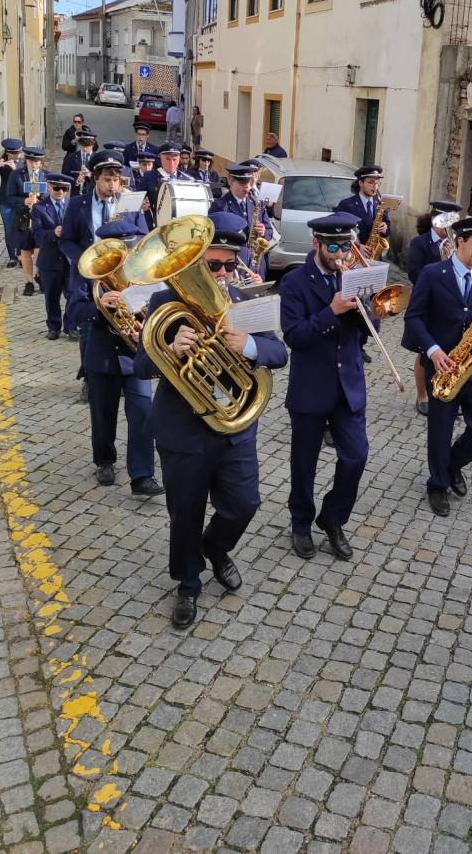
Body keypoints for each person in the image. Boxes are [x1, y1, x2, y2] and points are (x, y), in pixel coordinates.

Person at [133, 213, 288, 629]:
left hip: (235, 427)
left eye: (227, 265)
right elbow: (141, 365)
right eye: (211, 265)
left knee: (244, 503)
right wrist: (170, 344)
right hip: (183, 431)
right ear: (196, 264)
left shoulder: (244, 302)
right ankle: (187, 582)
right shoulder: (163, 304)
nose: (221, 274)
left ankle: (215, 547)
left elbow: (279, 354)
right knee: (185, 511)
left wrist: (251, 345)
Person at [278, 213, 369, 562]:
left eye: (347, 245)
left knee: (357, 456)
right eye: (334, 246)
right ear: (316, 243)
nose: (341, 253)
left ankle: (332, 518)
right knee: (304, 462)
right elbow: (295, 337)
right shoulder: (294, 283)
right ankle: (301, 523)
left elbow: (368, 328)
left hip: (349, 385)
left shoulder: (354, 276)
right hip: (311, 385)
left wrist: (368, 310)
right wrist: (331, 312)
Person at [402, 215, 472, 517]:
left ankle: (453, 463)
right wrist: (432, 351)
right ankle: (437, 484)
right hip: (442, 365)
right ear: (460, 242)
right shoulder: (433, 274)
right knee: (440, 429)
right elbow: (413, 317)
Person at [68, 216, 163, 498]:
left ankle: (143, 475)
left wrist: (146, 330)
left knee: (143, 414)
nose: (124, 258)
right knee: (103, 414)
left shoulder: (145, 275)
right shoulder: (90, 274)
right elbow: (74, 311)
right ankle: (105, 460)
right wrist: (99, 306)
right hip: (103, 355)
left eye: (129, 251)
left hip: (136, 358)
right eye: (118, 252)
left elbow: (158, 309)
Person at [61, 150, 148, 401]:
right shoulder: (78, 204)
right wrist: (84, 261)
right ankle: (91, 377)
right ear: (96, 179)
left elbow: (142, 236)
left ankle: (126, 372)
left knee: (125, 322)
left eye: (117, 179)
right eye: (108, 179)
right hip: (90, 277)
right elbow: (66, 240)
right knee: (90, 327)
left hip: (122, 276)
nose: (113, 185)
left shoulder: (127, 203)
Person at [407, 200, 460, 416]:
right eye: (446, 222)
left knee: (452, 350)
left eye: (454, 222)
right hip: (427, 305)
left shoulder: (457, 243)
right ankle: (422, 395)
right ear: (434, 220)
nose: (449, 228)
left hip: (450, 306)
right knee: (424, 352)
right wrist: (441, 266)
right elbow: (413, 274)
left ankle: (448, 393)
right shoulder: (420, 243)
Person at [32, 172, 75, 340]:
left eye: (64, 188)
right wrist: (53, 232)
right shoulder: (39, 208)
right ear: (49, 187)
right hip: (49, 259)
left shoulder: (73, 205)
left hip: (70, 259)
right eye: (56, 188)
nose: (60, 191)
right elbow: (36, 234)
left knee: (72, 294)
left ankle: (71, 326)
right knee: (51, 296)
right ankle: (54, 326)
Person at [209, 162, 272, 275]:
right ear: (230, 181)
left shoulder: (256, 202)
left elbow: (269, 231)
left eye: (249, 182)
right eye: (242, 183)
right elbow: (215, 239)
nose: (247, 187)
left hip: (256, 264)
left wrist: (263, 231)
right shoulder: (220, 205)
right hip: (234, 264)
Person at [6, 145, 47, 296]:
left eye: (37, 162)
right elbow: (9, 197)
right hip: (24, 219)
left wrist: (40, 199)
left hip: (41, 220)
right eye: (31, 161)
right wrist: (24, 201)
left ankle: (40, 276)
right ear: (26, 161)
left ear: (41, 162)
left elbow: (52, 196)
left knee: (40, 252)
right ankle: (28, 282)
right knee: (25, 252)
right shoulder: (16, 175)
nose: (34, 164)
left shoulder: (46, 176)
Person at [0, 138, 23, 266]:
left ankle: (21, 256)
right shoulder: (2, 162)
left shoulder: (23, 163)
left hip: (20, 200)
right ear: (8, 153)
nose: (17, 156)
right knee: (9, 229)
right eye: (14, 154)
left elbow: (27, 182)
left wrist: (15, 171)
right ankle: (12, 257)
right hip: (5, 200)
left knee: (21, 228)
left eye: (19, 153)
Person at [336, 164, 389, 248]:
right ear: (361, 183)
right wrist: (357, 246)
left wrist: (385, 228)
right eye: (371, 182)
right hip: (354, 256)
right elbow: (339, 232)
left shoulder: (381, 204)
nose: (375, 186)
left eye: (377, 183)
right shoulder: (346, 205)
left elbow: (388, 230)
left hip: (374, 255)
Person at [141, 143, 195, 210]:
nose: (171, 164)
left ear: (179, 159)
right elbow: (139, 197)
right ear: (161, 159)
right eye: (168, 159)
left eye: (174, 160)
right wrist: (143, 203)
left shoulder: (187, 180)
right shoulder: (149, 177)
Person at [62, 127, 97, 195]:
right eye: (83, 145)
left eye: (87, 145)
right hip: (76, 195)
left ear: (93, 145)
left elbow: (102, 177)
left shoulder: (98, 158)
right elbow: (64, 176)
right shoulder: (71, 157)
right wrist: (76, 180)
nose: (85, 148)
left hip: (92, 194)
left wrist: (90, 175)